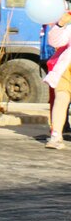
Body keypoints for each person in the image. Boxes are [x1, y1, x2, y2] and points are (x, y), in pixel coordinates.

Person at [43, 11, 71, 149]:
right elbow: (54, 41)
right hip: (67, 68)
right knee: (61, 98)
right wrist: (61, 24)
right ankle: (56, 136)